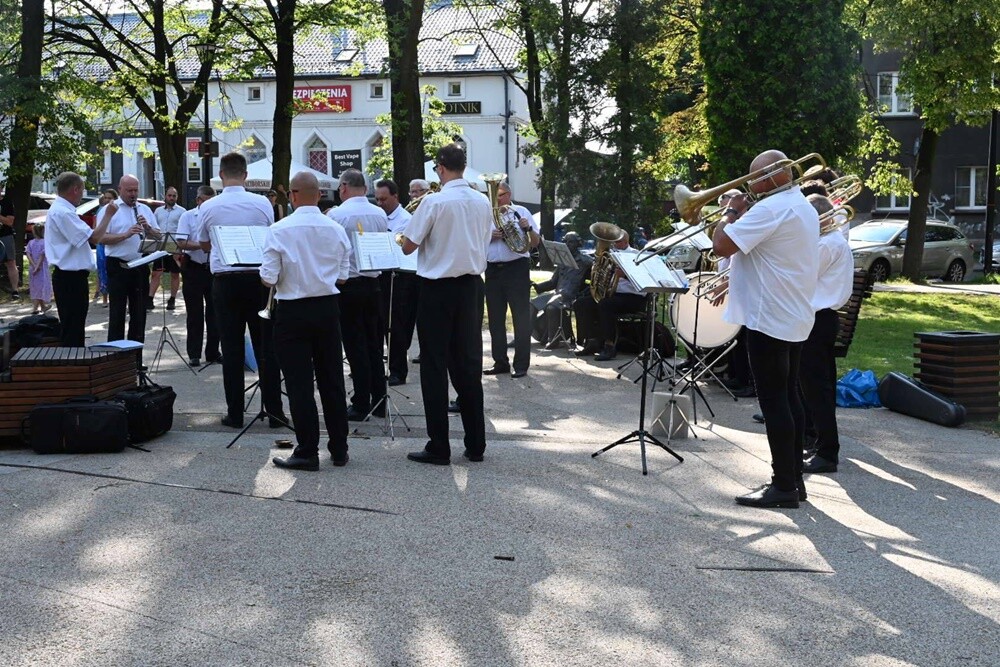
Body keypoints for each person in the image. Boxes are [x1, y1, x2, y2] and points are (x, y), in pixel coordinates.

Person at [712, 149, 819, 509]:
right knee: (789, 398)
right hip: (793, 314)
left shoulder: (771, 208)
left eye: (754, 177)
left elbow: (721, 245)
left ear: (771, 177)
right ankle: (795, 481)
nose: (749, 183)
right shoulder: (801, 205)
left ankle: (783, 486)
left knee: (775, 403)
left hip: (768, 317)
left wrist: (730, 211)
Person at [399, 143, 492, 465]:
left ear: (440, 168)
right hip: (471, 287)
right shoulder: (482, 200)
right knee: (468, 364)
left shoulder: (434, 201)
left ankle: (439, 446)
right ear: (463, 166)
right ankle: (476, 444)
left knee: (434, 366)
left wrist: (409, 235)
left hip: (437, 288)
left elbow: (408, 246)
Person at [263, 172, 352, 471]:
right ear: (319, 195)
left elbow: (269, 278)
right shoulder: (336, 228)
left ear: (293, 195)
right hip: (327, 308)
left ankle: (307, 451)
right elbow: (343, 276)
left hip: (292, 311)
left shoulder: (278, 229)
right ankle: (339, 449)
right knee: (332, 381)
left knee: (299, 384)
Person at [199, 152, 286, 429]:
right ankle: (275, 412)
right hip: (258, 281)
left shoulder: (209, 206)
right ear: (245, 175)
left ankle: (235, 414)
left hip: (226, 282)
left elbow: (203, 243)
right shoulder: (262, 203)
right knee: (266, 347)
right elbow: (271, 237)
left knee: (231, 347)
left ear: (221, 175)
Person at [327, 168, 389, 420]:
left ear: (343, 187)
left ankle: (362, 402)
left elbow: (332, 250)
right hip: (374, 285)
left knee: (355, 347)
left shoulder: (337, 215)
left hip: (349, 286)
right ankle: (380, 400)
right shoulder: (379, 213)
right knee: (374, 345)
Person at [799, 194, 854, 475]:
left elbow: (799, 275)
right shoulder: (828, 241)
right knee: (814, 385)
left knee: (816, 388)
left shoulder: (827, 244)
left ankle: (827, 452)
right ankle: (817, 442)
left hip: (818, 320)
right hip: (819, 319)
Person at [44, 172, 118, 346]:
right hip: (70, 278)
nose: (82, 194)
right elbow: (95, 238)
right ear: (75, 189)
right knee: (73, 329)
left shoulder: (62, 210)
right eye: (82, 190)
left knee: (75, 327)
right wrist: (108, 215)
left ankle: (74, 358)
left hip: (71, 277)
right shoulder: (63, 213)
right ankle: (72, 361)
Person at [484, 181, 539, 378]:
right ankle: (500, 362)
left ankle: (521, 364)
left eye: (499, 195)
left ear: (508, 194)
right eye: (493, 196)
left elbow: (535, 243)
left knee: (520, 318)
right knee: (495, 319)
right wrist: (489, 236)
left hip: (516, 268)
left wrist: (527, 228)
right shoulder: (486, 214)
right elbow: (474, 240)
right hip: (492, 270)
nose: (496, 199)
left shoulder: (521, 211)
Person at [100, 174, 160, 344]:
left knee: (139, 314)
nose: (133, 194)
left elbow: (158, 236)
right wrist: (125, 235)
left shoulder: (144, 209)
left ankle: (136, 356)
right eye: (129, 191)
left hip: (140, 265)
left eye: (135, 190)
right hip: (117, 266)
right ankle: (116, 355)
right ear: (120, 189)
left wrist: (147, 227)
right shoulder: (110, 210)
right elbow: (101, 238)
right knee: (117, 313)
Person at [574, 231, 647, 361]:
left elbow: (643, 281)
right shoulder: (611, 255)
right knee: (582, 303)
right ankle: (592, 341)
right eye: (613, 241)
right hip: (612, 294)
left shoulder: (636, 255)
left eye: (617, 241)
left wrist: (625, 275)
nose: (614, 244)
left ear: (626, 241)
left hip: (632, 297)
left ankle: (609, 345)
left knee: (605, 305)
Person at [374, 178, 418, 386]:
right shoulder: (379, 216)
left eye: (383, 199)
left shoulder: (405, 219)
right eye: (377, 199)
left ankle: (398, 371)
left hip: (401, 275)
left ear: (395, 196)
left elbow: (399, 245)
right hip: (382, 273)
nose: (380, 203)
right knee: (381, 322)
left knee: (397, 325)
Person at [175, 185, 220, 367]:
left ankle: (213, 352)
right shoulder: (187, 216)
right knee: (194, 313)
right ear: (198, 200)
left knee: (215, 312)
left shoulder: (217, 216)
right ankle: (194, 354)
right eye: (206, 202)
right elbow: (181, 242)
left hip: (213, 268)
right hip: (193, 267)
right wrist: (203, 245)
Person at [531, 231, 592, 348]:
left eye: (571, 242)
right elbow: (553, 282)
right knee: (532, 303)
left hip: (571, 296)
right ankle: (522, 338)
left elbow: (594, 281)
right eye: (566, 242)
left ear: (579, 243)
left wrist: (584, 293)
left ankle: (553, 340)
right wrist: (537, 286)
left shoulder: (586, 261)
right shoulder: (562, 260)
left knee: (551, 307)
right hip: (557, 294)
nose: (568, 244)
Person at [149, 185, 185, 311]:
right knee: (156, 273)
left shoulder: (182, 211)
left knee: (174, 274)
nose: (171, 198)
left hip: (174, 245)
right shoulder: (158, 211)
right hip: (161, 246)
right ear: (165, 196)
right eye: (169, 195)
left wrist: (180, 248)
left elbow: (184, 230)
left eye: (174, 196)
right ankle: (150, 298)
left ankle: (172, 299)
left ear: (177, 197)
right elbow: (154, 226)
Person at [93, 190, 116, 307]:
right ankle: (104, 297)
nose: (107, 200)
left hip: (112, 242)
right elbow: (95, 227)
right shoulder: (100, 211)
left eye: (110, 198)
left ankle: (114, 296)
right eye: (105, 198)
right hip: (101, 244)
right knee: (102, 269)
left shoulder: (117, 210)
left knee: (111, 270)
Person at [25, 223, 52, 314]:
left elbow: (28, 254)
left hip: (32, 268)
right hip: (41, 269)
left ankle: (43, 306)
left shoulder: (30, 242)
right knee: (40, 287)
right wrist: (37, 267)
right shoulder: (44, 242)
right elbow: (42, 255)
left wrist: (33, 265)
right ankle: (35, 308)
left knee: (36, 286)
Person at [0, 185, 19, 299]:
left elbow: (9, 222)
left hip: (5, 235)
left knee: (11, 262)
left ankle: (15, 290)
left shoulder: (7, 203)